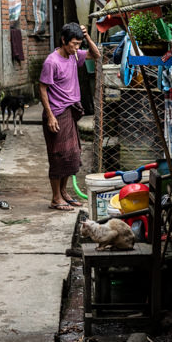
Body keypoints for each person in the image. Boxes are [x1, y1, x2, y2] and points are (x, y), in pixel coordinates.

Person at [39, 23, 100, 211]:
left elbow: (96, 55)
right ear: (64, 41)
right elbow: (42, 88)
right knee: (58, 157)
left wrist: (87, 37)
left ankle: (64, 192)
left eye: (79, 44)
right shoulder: (52, 61)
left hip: (70, 111)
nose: (77, 48)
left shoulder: (74, 55)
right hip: (57, 113)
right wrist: (50, 116)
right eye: (74, 43)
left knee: (71, 156)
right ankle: (55, 198)